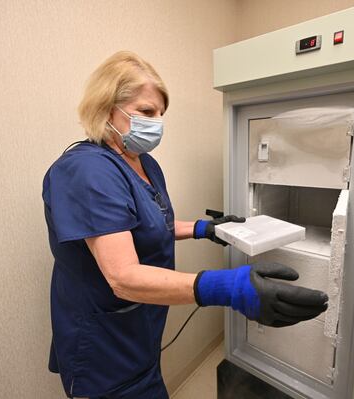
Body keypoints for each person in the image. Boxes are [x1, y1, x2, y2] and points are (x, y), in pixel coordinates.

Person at [42, 51, 329, 399]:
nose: (157, 123)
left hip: (140, 331)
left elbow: (149, 223)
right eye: (146, 112)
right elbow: (122, 276)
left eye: (161, 114)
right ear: (105, 110)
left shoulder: (142, 162)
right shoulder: (87, 172)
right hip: (104, 347)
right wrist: (225, 287)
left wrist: (204, 228)